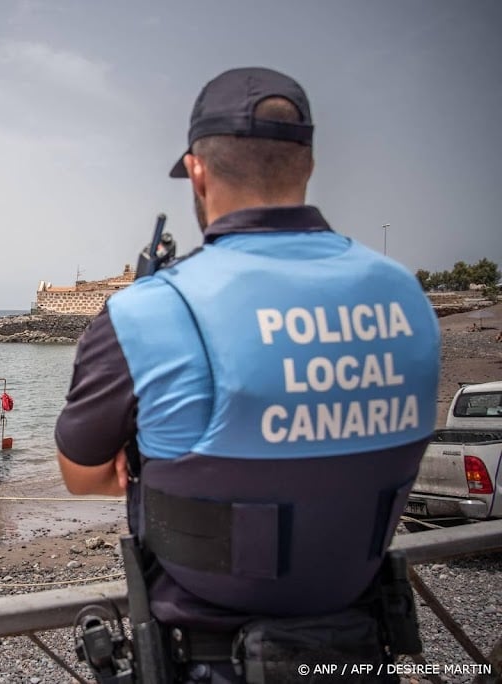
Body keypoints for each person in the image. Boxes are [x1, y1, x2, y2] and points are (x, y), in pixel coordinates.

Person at [55, 67, 440, 682]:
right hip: (363, 649)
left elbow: (82, 475)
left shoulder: (147, 312)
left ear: (197, 172)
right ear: (308, 163)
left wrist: (152, 452)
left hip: (210, 660)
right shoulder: (407, 298)